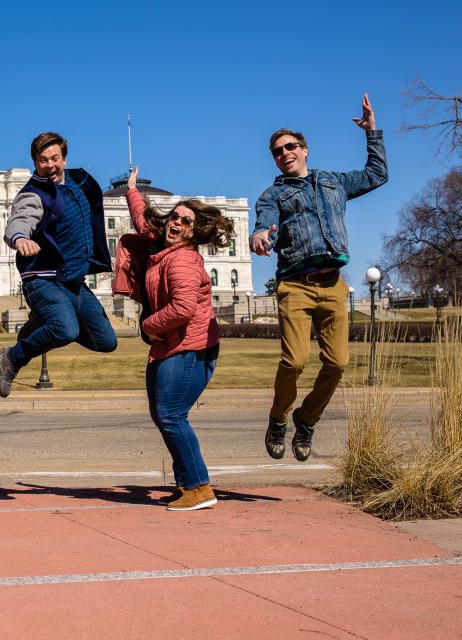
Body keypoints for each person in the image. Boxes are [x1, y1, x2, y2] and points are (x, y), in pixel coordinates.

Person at [250, 94, 388, 462]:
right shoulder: (273, 194)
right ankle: (278, 418)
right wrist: (259, 236)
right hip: (295, 285)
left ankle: (306, 420)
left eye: (290, 146)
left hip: (332, 286)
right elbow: (264, 224)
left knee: (338, 363)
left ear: (305, 149)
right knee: (294, 361)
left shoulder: (333, 182)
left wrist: (371, 132)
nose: (284, 153)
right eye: (277, 151)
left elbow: (378, 174)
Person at [116, 168, 233, 510]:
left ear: (194, 232)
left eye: (185, 220)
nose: (175, 222)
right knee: (164, 414)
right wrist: (132, 191)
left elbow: (182, 307)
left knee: (171, 415)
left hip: (190, 347)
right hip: (171, 343)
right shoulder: (162, 247)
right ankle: (187, 485)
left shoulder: (181, 260)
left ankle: (199, 488)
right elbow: (143, 221)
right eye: (174, 216)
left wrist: (150, 324)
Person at [0, 132, 117, 396]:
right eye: (42, 160)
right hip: (42, 278)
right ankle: (13, 358)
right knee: (66, 330)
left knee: (105, 341)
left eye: (54, 158)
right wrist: (19, 238)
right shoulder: (34, 193)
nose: (50, 165)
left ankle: (42, 321)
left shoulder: (79, 182)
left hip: (73, 280)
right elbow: (20, 219)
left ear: (64, 158)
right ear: (35, 162)